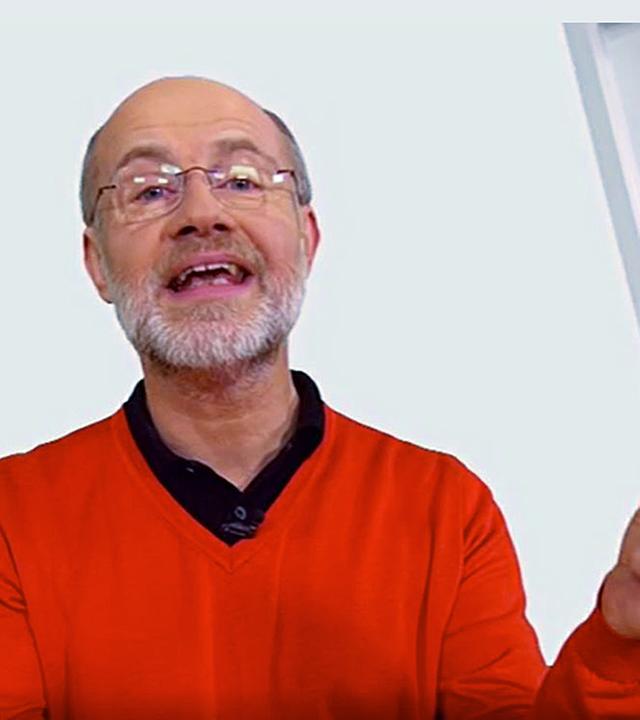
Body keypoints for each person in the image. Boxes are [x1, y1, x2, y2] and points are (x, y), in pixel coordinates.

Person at [2, 76, 640, 720]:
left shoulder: (443, 510)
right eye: (149, 190)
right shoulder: (13, 519)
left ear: (307, 239)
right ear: (97, 263)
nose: (201, 213)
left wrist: (620, 643)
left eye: (242, 180)